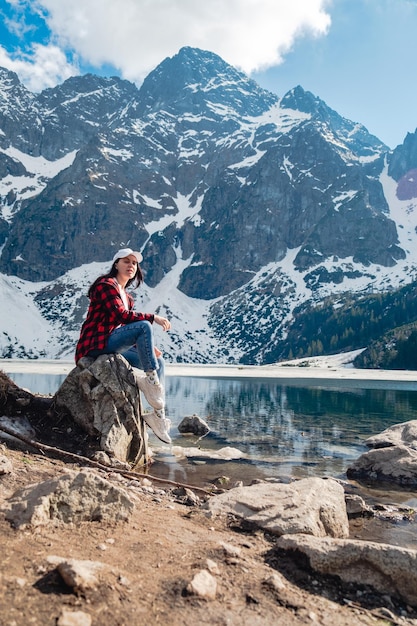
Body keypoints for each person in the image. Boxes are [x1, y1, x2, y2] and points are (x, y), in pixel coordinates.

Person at [75, 247, 172, 444]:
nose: (131, 266)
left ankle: (158, 416)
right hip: (94, 344)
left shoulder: (127, 296)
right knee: (144, 325)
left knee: (158, 360)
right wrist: (153, 318)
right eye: (126, 261)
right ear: (116, 264)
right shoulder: (106, 285)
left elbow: (123, 329)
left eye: (134, 263)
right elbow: (122, 317)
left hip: (110, 342)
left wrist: (146, 347)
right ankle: (152, 387)